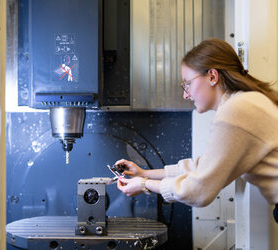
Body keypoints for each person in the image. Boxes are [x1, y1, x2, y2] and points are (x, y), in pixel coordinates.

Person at [115, 38, 278, 223]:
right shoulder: (245, 102)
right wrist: (143, 173)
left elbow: (199, 191)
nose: (186, 94)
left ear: (212, 76)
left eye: (188, 83)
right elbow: (203, 167)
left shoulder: (237, 110)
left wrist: (144, 185)